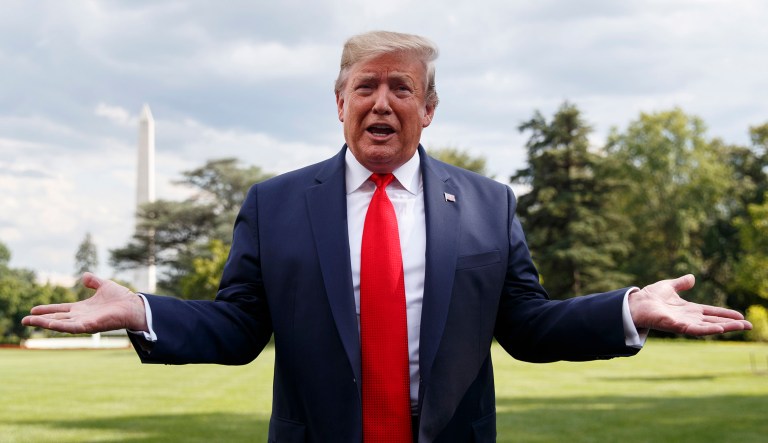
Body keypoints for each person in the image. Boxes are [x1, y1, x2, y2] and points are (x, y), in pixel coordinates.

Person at [23, 31, 751, 443]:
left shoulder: (488, 205)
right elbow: (240, 327)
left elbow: (527, 325)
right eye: (365, 86)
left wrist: (629, 307)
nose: (381, 101)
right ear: (339, 101)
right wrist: (141, 309)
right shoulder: (275, 204)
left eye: (401, 87)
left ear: (428, 108)